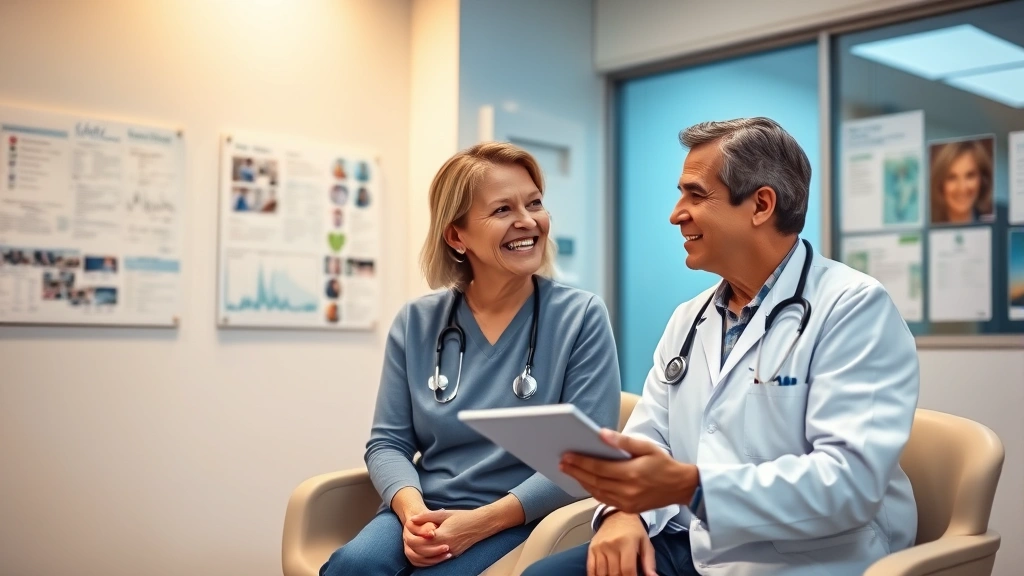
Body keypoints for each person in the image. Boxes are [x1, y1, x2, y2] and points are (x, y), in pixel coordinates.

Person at [523, 117, 919, 576]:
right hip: (696, 543)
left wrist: (692, 487)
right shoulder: (689, 318)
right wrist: (622, 513)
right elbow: (648, 437)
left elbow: (847, 485)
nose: (676, 213)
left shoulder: (853, 308)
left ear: (761, 205)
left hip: (807, 557)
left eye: (696, 195)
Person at [319, 142, 622, 576]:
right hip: (425, 506)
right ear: (456, 235)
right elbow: (388, 443)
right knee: (354, 567)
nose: (527, 220)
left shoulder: (580, 316)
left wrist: (480, 523)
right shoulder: (418, 322)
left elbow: (587, 459)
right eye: (502, 210)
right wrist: (412, 513)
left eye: (534, 203)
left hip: (522, 516)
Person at [929, 138, 993, 224]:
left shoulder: (1001, 217)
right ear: (940, 183)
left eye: (970, 176)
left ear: (983, 179)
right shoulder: (927, 223)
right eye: (952, 178)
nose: (962, 188)